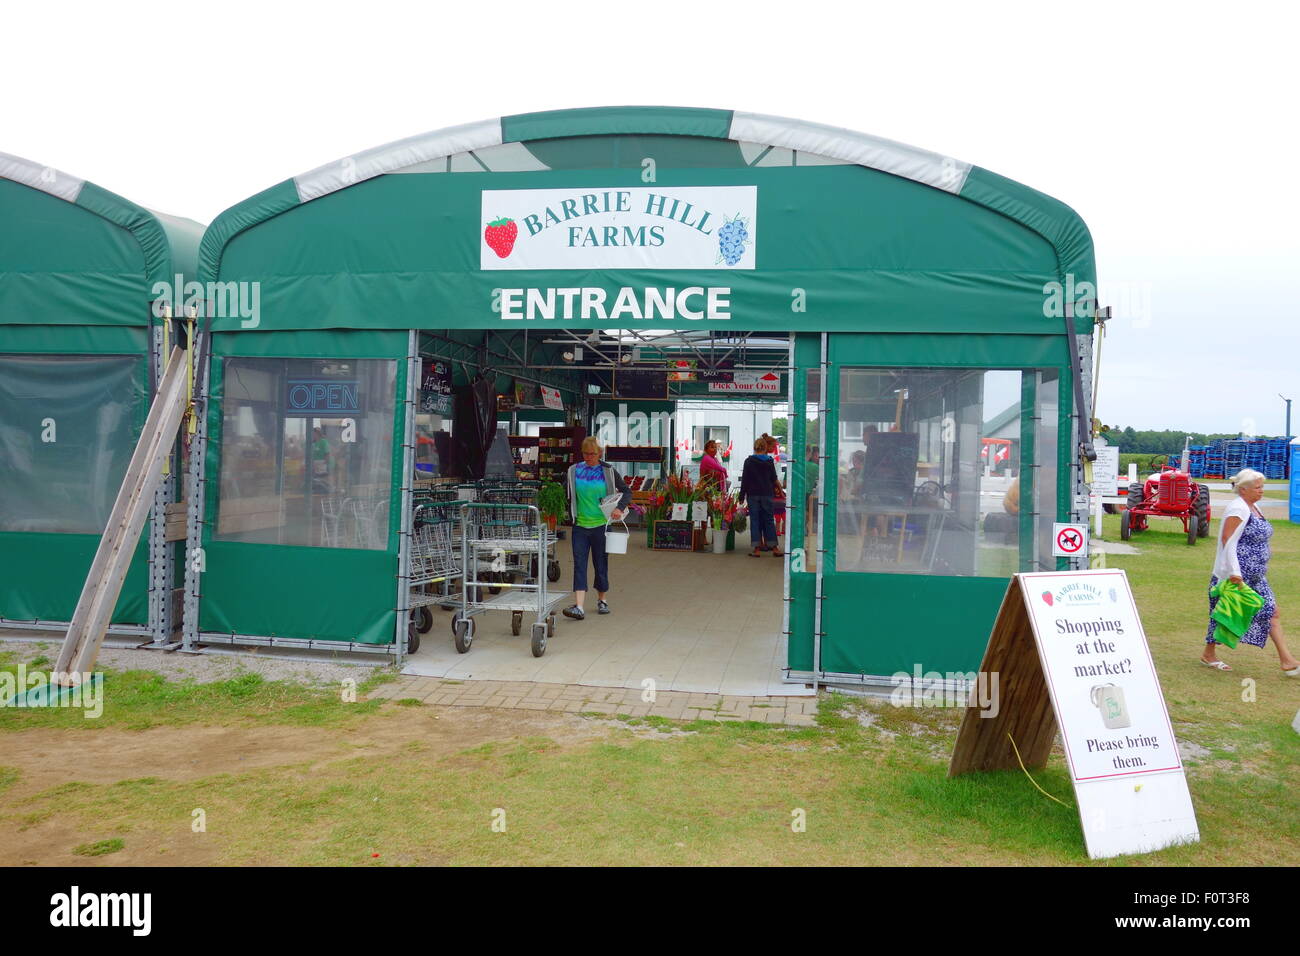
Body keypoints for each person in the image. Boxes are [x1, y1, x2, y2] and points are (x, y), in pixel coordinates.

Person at [1200, 468, 1299, 675]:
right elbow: (1228, 539)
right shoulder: (1238, 509)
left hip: (1256, 575)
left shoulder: (1253, 507)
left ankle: (1287, 660)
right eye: (1257, 487)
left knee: (1271, 611)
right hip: (1237, 577)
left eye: (1262, 487)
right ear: (1243, 490)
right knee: (1224, 615)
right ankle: (1209, 654)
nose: (1261, 491)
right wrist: (1235, 572)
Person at [562, 436, 631, 620]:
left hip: (602, 526)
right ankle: (579, 606)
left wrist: (619, 508)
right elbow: (566, 493)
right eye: (585, 453)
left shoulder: (608, 471)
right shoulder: (573, 471)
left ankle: (602, 599)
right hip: (580, 526)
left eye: (592, 453)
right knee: (579, 565)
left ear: (599, 453)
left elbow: (626, 491)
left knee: (600, 564)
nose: (588, 457)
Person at [738, 436, 781, 557]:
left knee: (755, 521)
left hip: (753, 495)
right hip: (767, 494)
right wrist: (780, 491)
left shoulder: (749, 461)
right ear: (765, 447)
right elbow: (773, 478)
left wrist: (741, 495)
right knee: (769, 520)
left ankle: (757, 549)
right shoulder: (769, 461)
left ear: (754, 448)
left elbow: (745, 480)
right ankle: (775, 548)